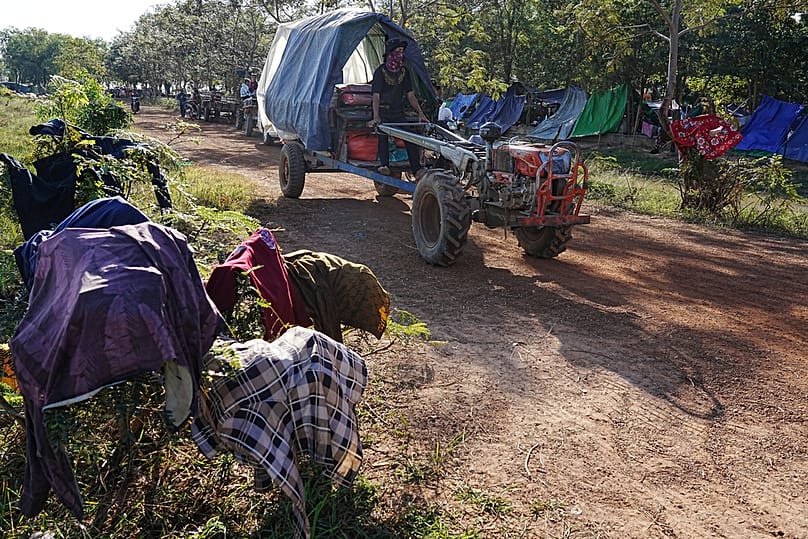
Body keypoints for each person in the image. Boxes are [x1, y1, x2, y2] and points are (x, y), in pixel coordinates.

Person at [368, 38, 428, 179]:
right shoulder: (380, 72)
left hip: (398, 112)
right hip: (383, 111)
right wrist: (376, 116)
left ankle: (417, 169)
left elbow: (410, 95)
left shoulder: (404, 72)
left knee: (410, 137)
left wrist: (421, 113)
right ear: (391, 53)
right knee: (382, 134)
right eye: (398, 51)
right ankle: (384, 165)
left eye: (402, 51)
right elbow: (375, 95)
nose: (401, 54)